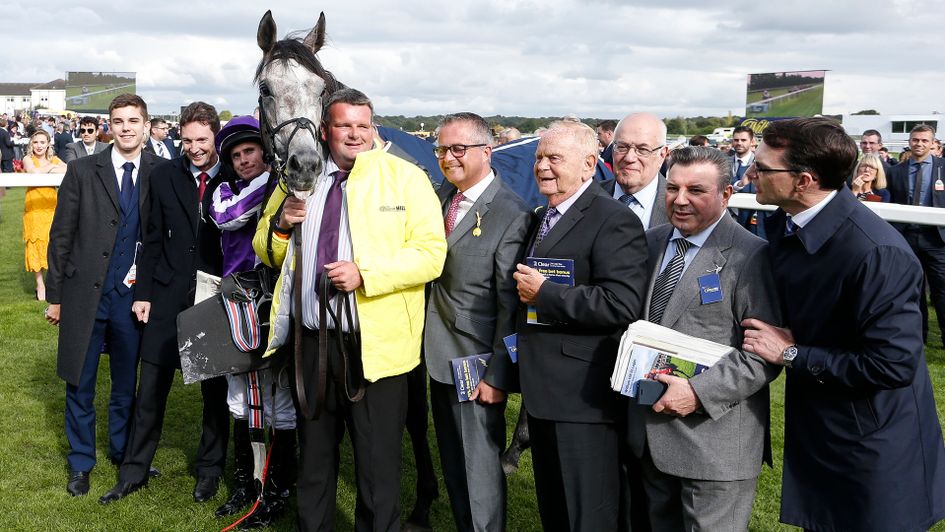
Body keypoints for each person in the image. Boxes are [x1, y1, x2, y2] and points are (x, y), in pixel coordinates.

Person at [253, 88, 446, 531]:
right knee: (315, 466)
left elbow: (431, 255)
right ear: (326, 130)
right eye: (344, 125)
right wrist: (281, 225)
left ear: (372, 128)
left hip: (375, 351)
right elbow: (264, 249)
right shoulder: (296, 180)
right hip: (312, 347)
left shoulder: (406, 178)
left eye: (363, 125)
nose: (354, 134)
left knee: (378, 471)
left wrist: (367, 273)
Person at [741, 117, 945, 531]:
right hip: (828, 432)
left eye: (762, 168)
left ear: (803, 180)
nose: (751, 174)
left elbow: (893, 364)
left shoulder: (876, 253)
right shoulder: (791, 221)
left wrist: (792, 353)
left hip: (872, 449)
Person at [625, 146, 781, 530]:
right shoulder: (651, 242)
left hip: (713, 444)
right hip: (649, 436)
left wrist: (696, 394)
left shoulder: (753, 257)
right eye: (672, 188)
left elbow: (762, 355)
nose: (680, 200)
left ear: (726, 195)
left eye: (696, 190)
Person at [512, 120, 647, 531]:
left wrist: (546, 293)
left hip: (584, 399)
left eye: (555, 158)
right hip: (545, 393)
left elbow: (622, 303)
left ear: (589, 164)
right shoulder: (543, 215)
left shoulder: (613, 219)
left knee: (588, 514)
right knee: (555, 509)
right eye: (539, 157)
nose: (542, 167)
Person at [100, 101, 231, 505]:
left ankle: (209, 472)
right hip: (164, 296)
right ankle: (133, 471)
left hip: (214, 299)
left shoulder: (235, 176)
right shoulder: (162, 175)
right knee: (151, 391)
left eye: (202, 140)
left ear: (216, 136)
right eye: (187, 140)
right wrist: (142, 294)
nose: (194, 148)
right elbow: (152, 237)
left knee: (214, 394)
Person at [45, 94, 159, 497]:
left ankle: (121, 451)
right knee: (80, 382)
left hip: (133, 301)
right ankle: (80, 462)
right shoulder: (80, 170)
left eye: (133, 120)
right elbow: (60, 238)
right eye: (118, 120)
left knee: (127, 385)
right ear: (109, 126)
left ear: (146, 125)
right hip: (82, 296)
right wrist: (55, 297)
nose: (125, 127)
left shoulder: (160, 172)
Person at [426, 112, 530, 532]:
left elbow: (510, 306)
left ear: (487, 152)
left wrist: (498, 373)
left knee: (481, 468)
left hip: (477, 363)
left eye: (458, 149)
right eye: (441, 150)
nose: (448, 158)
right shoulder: (440, 197)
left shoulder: (512, 212)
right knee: (454, 461)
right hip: (437, 354)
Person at [207, 115, 296, 528]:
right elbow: (227, 217)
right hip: (236, 302)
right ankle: (246, 486)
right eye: (237, 155)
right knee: (239, 396)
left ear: (265, 151)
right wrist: (274, 179)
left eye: (250, 152)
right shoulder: (224, 190)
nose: (244, 160)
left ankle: (276, 490)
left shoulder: (286, 187)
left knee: (279, 399)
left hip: (275, 301)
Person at [887, 124, 945, 345]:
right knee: (913, 290)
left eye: (924, 140)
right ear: (909, 142)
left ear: (932, 143)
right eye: (915, 140)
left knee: (941, 289)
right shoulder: (895, 171)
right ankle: (917, 337)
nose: (919, 144)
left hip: (937, 239)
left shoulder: (943, 167)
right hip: (906, 239)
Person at [601, 112, 671, 229]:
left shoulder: (679, 206)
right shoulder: (588, 197)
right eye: (622, 147)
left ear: (662, 155)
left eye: (643, 149)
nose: (629, 158)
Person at [22, 129, 66, 301]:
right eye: (35, 142)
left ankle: (52, 283)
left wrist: (51, 166)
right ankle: (40, 285)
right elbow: (33, 172)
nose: (39, 146)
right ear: (31, 144)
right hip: (34, 208)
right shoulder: (28, 159)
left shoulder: (54, 159)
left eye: (42, 142)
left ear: (48, 144)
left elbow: (67, 169)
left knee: (52, 244)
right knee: (34, 244)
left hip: (52, 207)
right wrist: (51, 167)